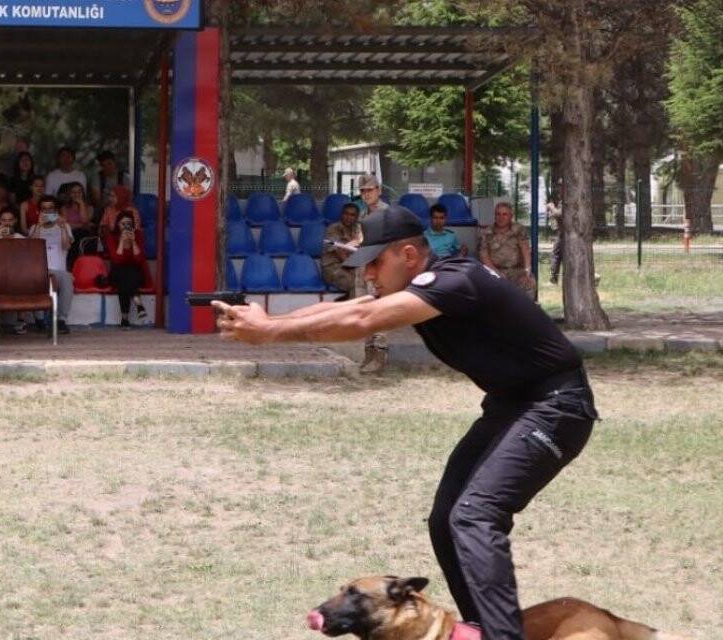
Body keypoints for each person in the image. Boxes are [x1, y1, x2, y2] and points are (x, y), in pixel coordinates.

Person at [214, 204, 598, 640]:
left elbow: (361, 320)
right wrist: (269, 321)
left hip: (555, 407)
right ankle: (483, 629)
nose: (370, 274)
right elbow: (351, 308)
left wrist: (270, 332)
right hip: (513, 405)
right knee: (446, 518)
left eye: (376, 262)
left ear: (410, 255)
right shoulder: (424, 286)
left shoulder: (455, 281)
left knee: (474, 514)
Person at [352, 172, 390, 374]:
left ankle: (380, 356)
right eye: (363, 191)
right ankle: (368, 354)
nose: (366, 194)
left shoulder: (386, 213)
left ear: (379, 190)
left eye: (369, 190)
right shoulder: (364, 213)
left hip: (379, 268)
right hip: (363, 266)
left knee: (379, 311)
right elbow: (361, 236)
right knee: (364, 311)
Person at [26, 195, 75, 335]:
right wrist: (39, 226)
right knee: (33, 279)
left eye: (51, 209)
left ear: (56, 211)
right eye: (44, 209)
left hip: (59, 272)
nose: (47, 212)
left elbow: (66, 246)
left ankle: (61, 321)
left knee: (68, 278)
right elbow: (31, 248)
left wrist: (63, 228)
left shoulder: (64, 226)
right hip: (40, 271)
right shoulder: (35, 228)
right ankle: (40, 321)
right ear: (39, 211)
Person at [0, 207, 31, 335]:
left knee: (24, 280)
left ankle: (21, 321)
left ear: (15, 221)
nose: (6, 223)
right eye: (3, 220)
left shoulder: (20, 238)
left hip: (18, 274)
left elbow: (26, 260)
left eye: (10, 220)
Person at [479, 202, 536, 298]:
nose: (501, 217)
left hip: (516, 270)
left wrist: (527, 271)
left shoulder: (519, 230)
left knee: (529, 283)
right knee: (485, 286)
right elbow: (484, 257)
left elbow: (525, 250)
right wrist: (497, 273)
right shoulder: (486, 233)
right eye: (498, 214)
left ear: (511, 216)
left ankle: (525, 312)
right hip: (494, 271)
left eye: (504, 214)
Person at [105, 210, 148, 328]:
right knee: (123, 274)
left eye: (128, 223)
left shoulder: (138, 235)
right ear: (118, 224)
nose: (125, 226)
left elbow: (139, 259)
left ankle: (124, 319)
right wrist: (121, 241)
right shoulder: (112, 237)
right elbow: (117, 260)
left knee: (127, 278)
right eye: (123, 224)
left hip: (135, 272)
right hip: (117, 271)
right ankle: (138, 303)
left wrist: (133, 242)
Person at [321, 203, 363, 297]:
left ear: (356, 217)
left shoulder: (357, 229)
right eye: (346, 213)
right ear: (342, 214)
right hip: (333, 268)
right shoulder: (334, 229)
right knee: (355, 283)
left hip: (351, 267)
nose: (348, 217)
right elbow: (340, 253)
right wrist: (356, 271)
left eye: (352, 215)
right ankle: (352, 309)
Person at [61, 181, 97, 265]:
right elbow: (66, 225)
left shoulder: (89, 207)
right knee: (74, 235)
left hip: (84, 235)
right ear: (70, 194)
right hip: (70, 235)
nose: (76, 194)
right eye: (74, 192)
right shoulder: (65, 207)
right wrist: (82, 225)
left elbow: (84, 220)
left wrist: (81, 204)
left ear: (83, 193)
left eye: (79, 192)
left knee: (81, 234)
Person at [545, 199, 564, 285]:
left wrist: (551, 207)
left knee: (556, 255)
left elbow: (559, 214)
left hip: (565, 234)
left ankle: (553, 279)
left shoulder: (569, 198)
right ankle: (553, 279)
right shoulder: (563, 199)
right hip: (562, 233)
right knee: (556, 255)